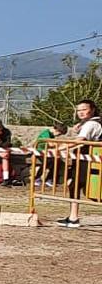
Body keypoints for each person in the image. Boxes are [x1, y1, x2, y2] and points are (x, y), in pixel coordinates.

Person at [55, 98, 100, 228]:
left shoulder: (91, 124)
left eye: (84, 109)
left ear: (92, 110)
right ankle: (73, 217)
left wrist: (60, 148)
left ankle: (74, 217)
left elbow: (80, 140)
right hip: (84, 159)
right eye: (78, 110)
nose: (80, 112)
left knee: (92, 190)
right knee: (74, 185)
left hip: (89, 160)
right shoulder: (87, 123)